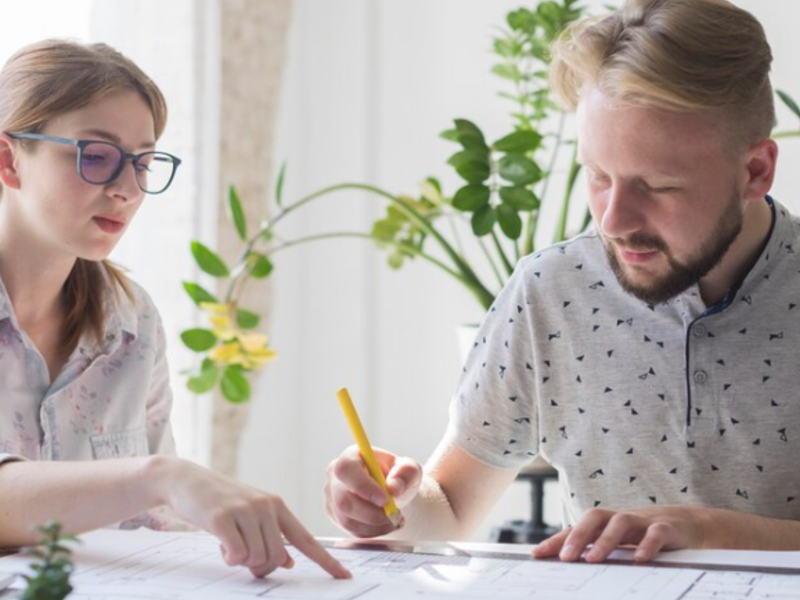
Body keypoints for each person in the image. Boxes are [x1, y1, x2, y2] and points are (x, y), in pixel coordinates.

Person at [324, 0, 800, 562]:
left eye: (659, 186)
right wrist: (390, 506)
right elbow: (449, 509)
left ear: (756, 171)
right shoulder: (550, 291)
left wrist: (705, 532)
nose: (613, 221)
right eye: (598, 176)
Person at [0, 39, 349, 580]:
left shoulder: (132, 322)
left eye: (143, 162)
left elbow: (154, 530)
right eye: (96, 156)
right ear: (9, 159)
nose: (127, 189)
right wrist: (159, 476)